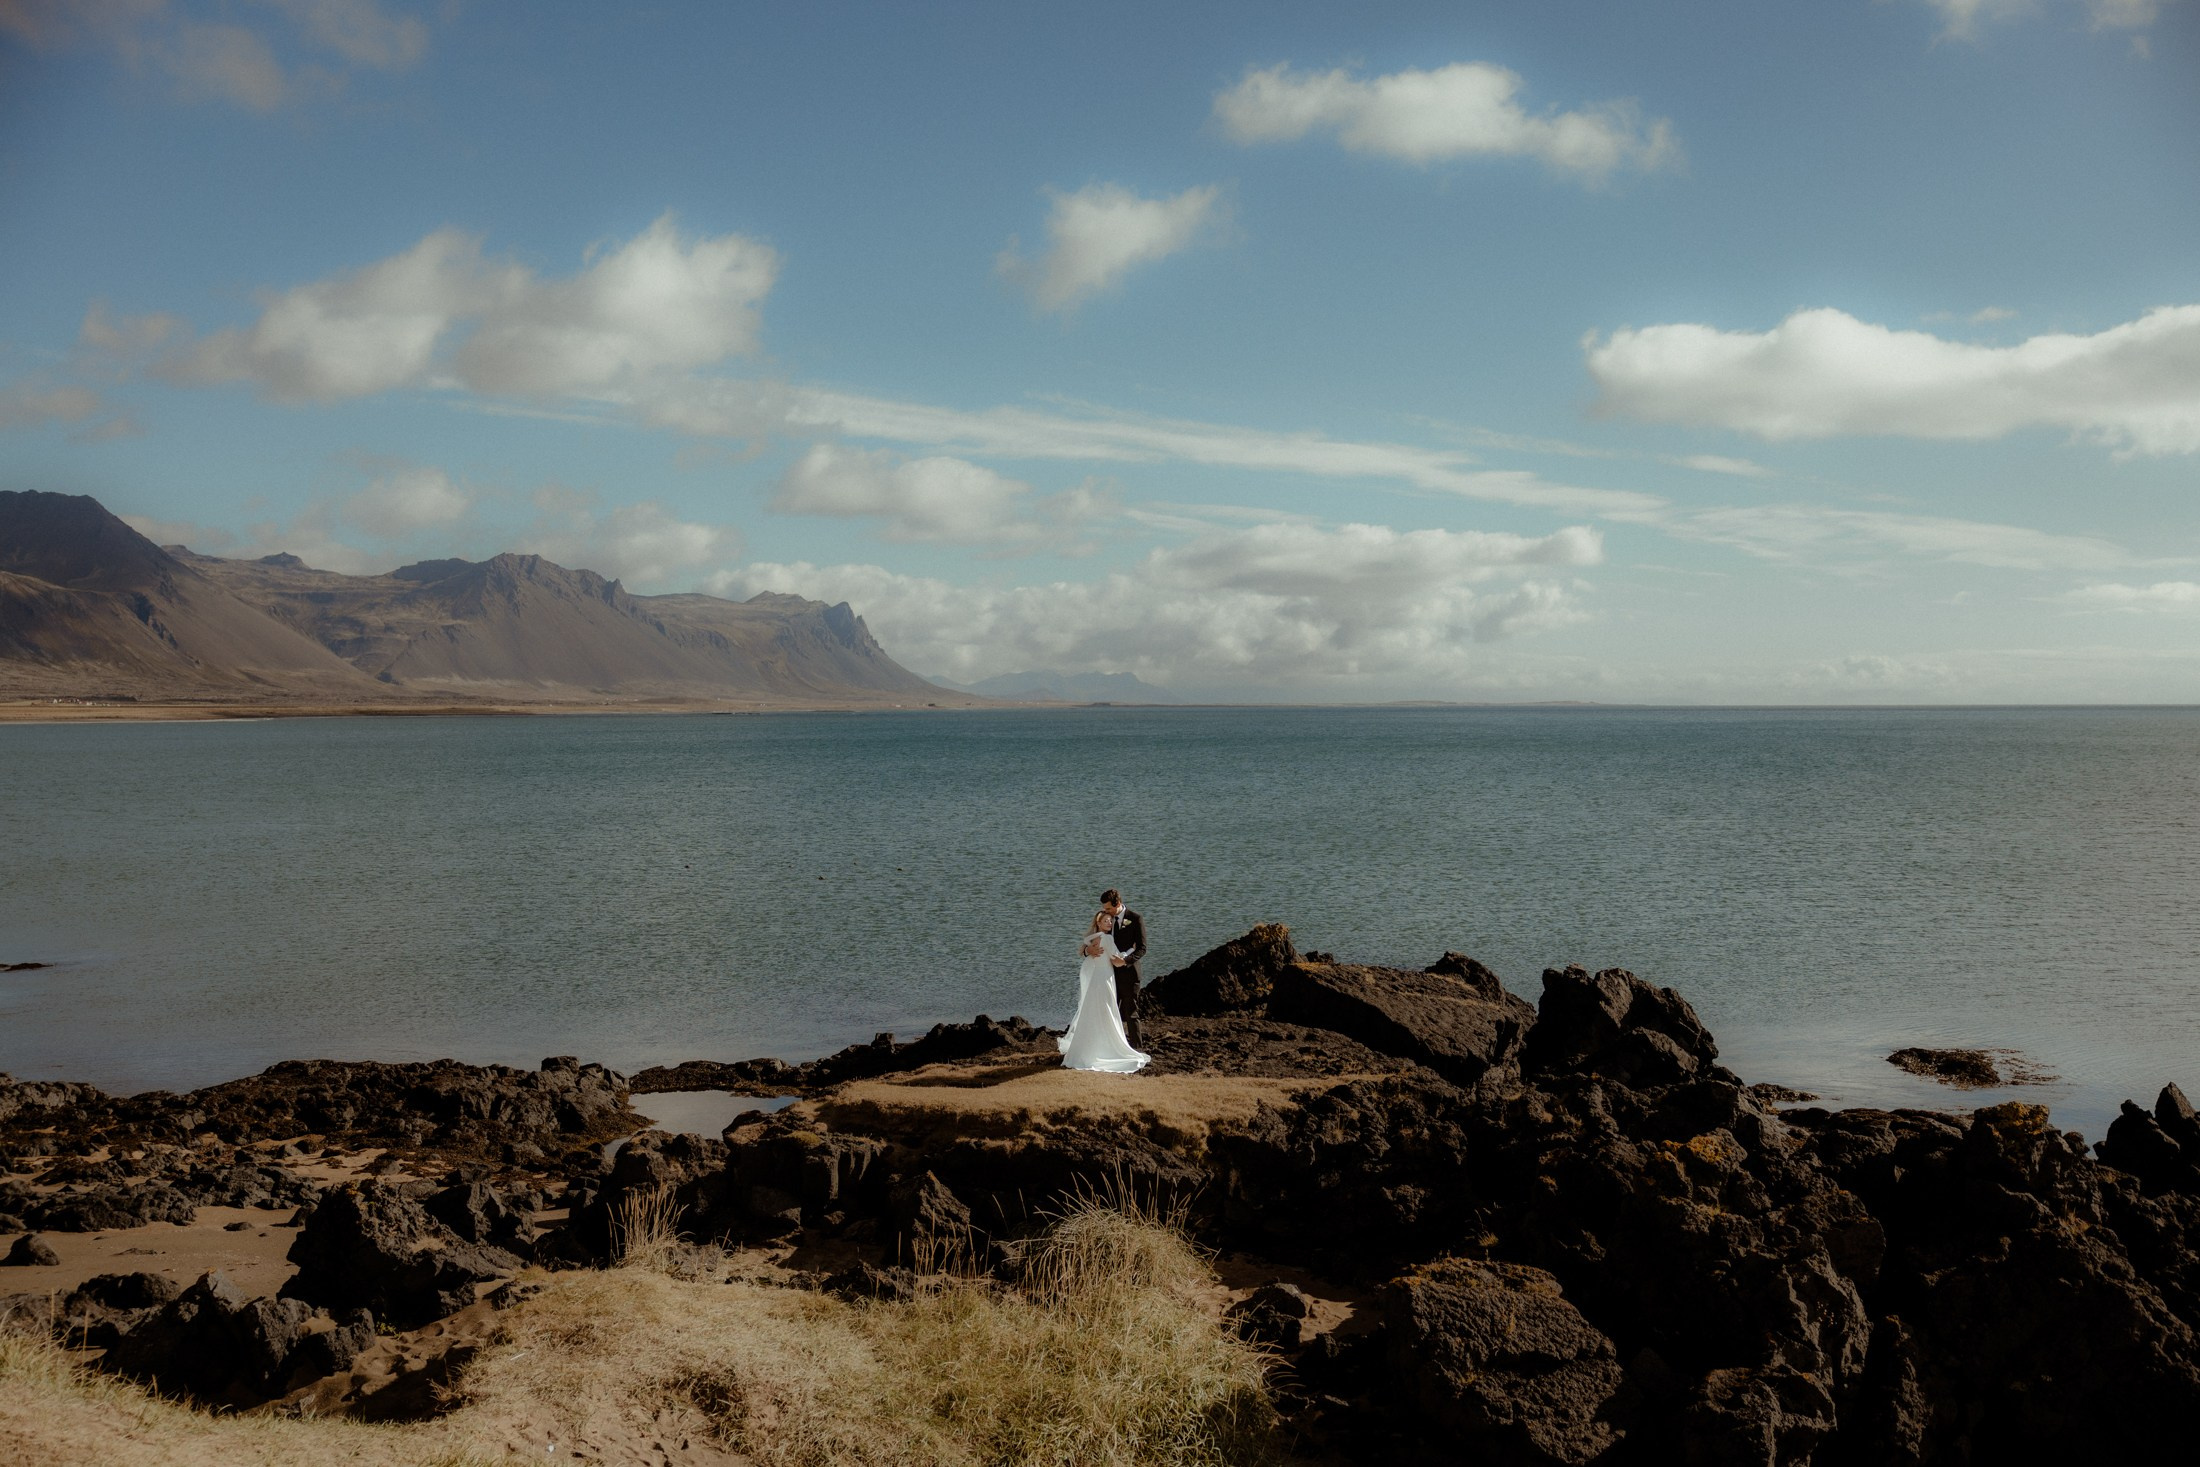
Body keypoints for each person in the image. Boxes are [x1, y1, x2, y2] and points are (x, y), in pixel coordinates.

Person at [1057, 909, 1150, 1074]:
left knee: (1093, 1010)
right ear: (1098, 923)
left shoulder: (1094, 938)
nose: (1109, 922)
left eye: (1110, 920)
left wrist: (1087, 951)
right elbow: (1116, 959)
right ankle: (1108, 1047)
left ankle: (1088, 1048)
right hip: (1105, 979)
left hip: (1096, 980)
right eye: (1105, 921)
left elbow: (1085, 951)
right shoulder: (1106, 938)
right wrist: (1130, 950)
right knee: (1107, 1011)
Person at [1100, 888, 1147, 1048]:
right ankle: (1112, 1047)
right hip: (1110, 975)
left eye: (1108, 908)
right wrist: (1088, 950)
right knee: (1110, 1013)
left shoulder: (1135, 919)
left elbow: (1142, 948)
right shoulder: (1107, 920)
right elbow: (1096, 940)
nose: (1105, 911)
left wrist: (1125, 961)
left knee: (1131, 1013)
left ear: (1118, 903)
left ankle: (1137, 1048)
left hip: (1130, 975)